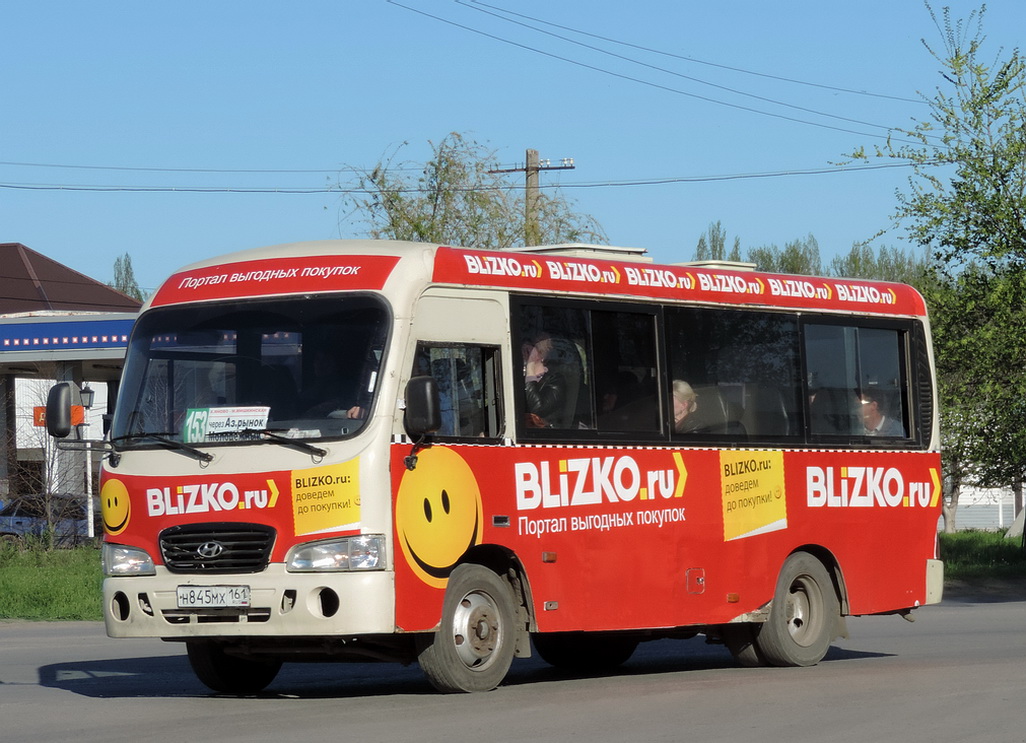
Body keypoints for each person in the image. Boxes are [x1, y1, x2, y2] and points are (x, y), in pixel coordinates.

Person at [523, 333, 580, 428]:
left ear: (543, 354)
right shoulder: (520, 378)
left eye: (529, 350)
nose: (524, 353)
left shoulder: (556, 380)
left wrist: (530, 365)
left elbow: (538, 409)